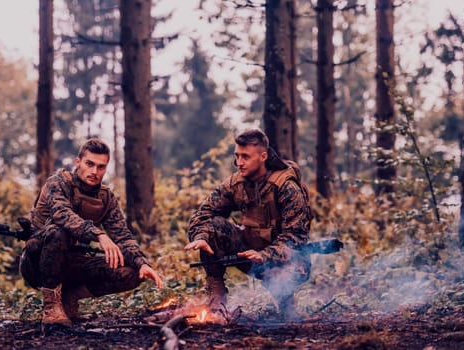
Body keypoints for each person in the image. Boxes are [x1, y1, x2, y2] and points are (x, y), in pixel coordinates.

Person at [20, 138, 163, 326]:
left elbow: (122, 236)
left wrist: (142, 262)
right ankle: (51, 306)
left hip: (72, 262)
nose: (95, 172)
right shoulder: (58, 183)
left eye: (101, 167)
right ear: (77, 162)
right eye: (89, 164)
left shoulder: (106, 198)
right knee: (57, 231)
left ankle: (69, 297)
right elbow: (62, 214)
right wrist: (99, 235)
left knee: (134, 272)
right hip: (38, 262)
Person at [184, 128, 313, 314]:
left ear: (263, 156)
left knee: (283, 278)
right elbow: (203, 213)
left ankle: (285, 302)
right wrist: (202, 236)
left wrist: (266, 255)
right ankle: (216, 298)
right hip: (248, 255)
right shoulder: (235, 183)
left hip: (285, 261)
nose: (239, 163)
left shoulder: (286, 187)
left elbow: (296, 238)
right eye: (237, 156)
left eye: (245, 157)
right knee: (213, 225)